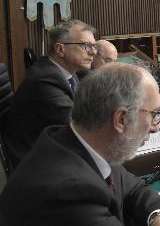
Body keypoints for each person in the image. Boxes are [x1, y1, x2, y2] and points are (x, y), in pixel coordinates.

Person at [0, 63, 160, 226]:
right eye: (154, 114)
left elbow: (130, 187)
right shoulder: (67, 193)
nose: (155, 126)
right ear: (121, 119)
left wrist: (157, 216)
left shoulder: (78, 140)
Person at [3, 19, 97, 169]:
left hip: (55, 148)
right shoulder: (44, 80)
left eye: (94, 46)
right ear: (60, 50)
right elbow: (81, 126)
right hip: (36, 164)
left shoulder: (71, 72)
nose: (93, 52)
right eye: (85, 45)